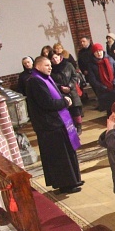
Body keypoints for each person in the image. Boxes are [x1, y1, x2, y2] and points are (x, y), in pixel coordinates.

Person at [25, 56, 83, 194]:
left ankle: (74, 179)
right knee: (60, 157)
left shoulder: (44, 78)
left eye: (50, 65)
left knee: (67, 153)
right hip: (49, 127)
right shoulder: (35, 82)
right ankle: (66, 185)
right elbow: (47, 103)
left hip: (57, 123)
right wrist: (65, 102)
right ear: (38, 66)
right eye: (46, 65)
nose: (50, 67)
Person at [50, 51, 83, 134]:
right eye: (52, 58)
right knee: (66, 111)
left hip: (71, 90)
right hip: (61, 92)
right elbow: (52, 82)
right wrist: (61, 87)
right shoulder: (51, 70)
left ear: (59, 57)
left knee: (76, 110)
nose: (55, 60)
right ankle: (70, 128)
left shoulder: (68, 65)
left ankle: (79, 127)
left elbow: (74, 76)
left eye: (56, 57)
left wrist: (70, 86)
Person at [87, 43, 115, 115]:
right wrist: (102, 87)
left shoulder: (110, 59)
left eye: (100, 50)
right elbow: (92, 79)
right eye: (96, 51)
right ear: (93, 53)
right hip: (103, 90)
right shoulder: (91, 64)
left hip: (114, 87)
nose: (99, 53)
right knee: (109, 110)